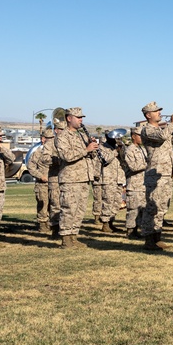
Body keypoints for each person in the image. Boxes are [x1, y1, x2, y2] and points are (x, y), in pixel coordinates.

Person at [55, 107, 99, 249]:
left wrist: (92, 148)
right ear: (69, 118)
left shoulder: (81, 135)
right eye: (78, 117)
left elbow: (89, 156)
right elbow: (66, 156)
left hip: (83, 177)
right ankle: (66, 239)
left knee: (79, 210)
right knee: (69, 209)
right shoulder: (62, 136)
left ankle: (74, 236)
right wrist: (86, 150)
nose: (81, 120)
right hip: (70, 179)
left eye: (82, 118)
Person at [138, 102, 173, 251]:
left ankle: (157, 237)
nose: (160, 113)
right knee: (152, 208)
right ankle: (149, 239)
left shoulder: (162, 129)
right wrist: (172, 122)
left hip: (166, 173)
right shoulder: (147, 130)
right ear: (148, 115)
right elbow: (162, 136)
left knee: (162, 207)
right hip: (155, 174)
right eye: (156, 111)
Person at [121, 125, 148, 238]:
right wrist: (148, 164)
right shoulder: (129, 150)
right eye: (139, 135)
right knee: (133, 209)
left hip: (142, 184)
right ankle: (130, 230)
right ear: (133, 136)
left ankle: (137, 229)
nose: (142, 137)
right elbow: (133, 166)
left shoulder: (142, 149)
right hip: (134, 184)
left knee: (142, 209)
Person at [27, 129, 55, 233]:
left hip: (55, 183)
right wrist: (40, 176)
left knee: (55, 204)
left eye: (53, 138)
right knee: (43, 204)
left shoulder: (56, 152)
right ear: (43, 139)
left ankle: (54, 224)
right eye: (50, 139)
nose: (52, 141)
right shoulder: (38, 152)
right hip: (42, 184)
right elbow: (30, 167)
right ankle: (43, 224)